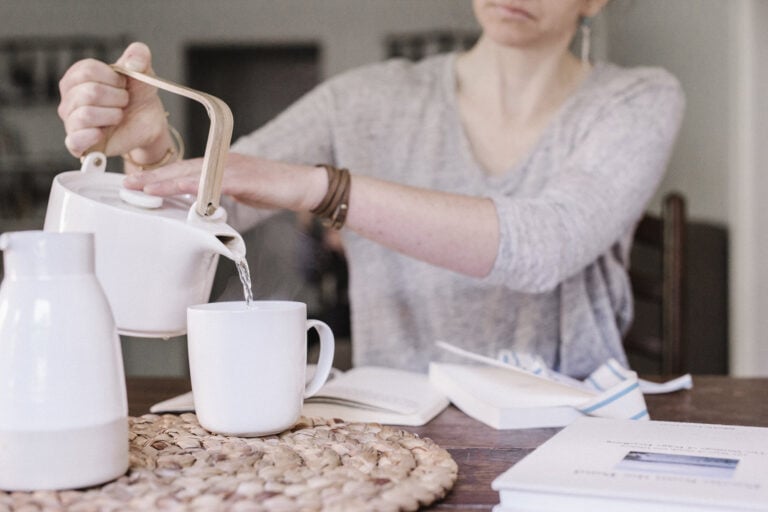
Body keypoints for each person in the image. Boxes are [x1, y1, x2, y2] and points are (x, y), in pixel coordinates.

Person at [57, 0, 684, 378]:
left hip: (569, 433)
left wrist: (320, 189)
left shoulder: (637, 100)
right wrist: (148, 145)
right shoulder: (364, 99)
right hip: (399, 429)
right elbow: (200, 211)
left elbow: (545, 245)